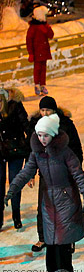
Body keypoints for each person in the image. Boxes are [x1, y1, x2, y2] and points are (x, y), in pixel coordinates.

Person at [6, 114, 84, 272]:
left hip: (66, 201)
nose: (42, 139)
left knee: (63, 248)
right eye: (39, 135)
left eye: (46, 135)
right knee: (51, 247)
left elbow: (79, 174)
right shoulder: (37, 153)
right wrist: (11, 191)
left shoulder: (65, 153)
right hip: (48, 204)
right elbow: (25, 173)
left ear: (53, 134)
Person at [26, 95, 83, 252]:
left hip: (65, 173)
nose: (45, 113)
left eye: (48, 110)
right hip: (45, 173)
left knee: (66, 207)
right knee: (43, 207)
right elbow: (30, 149)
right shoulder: (36, 126)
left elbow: (76, 148)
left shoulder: (65, 124)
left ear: (54, 110)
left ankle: (69, 239)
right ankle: (43, 238)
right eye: (42, 110)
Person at [0, 88, 29, 231]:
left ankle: (16, 216)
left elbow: (27, 127)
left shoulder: (16, 106)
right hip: (0, 151)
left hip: (16, 150)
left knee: (15, 183)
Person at [26, 4, 53, 95]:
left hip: (44, 51)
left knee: (43, 68)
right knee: (37, 69)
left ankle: (43, 84)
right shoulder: (33, 28)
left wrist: (47, 27)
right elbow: (29, 41)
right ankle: (37, 85)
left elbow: (51, 35)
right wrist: (31, 53)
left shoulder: (44, 26)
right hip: (37, 52)